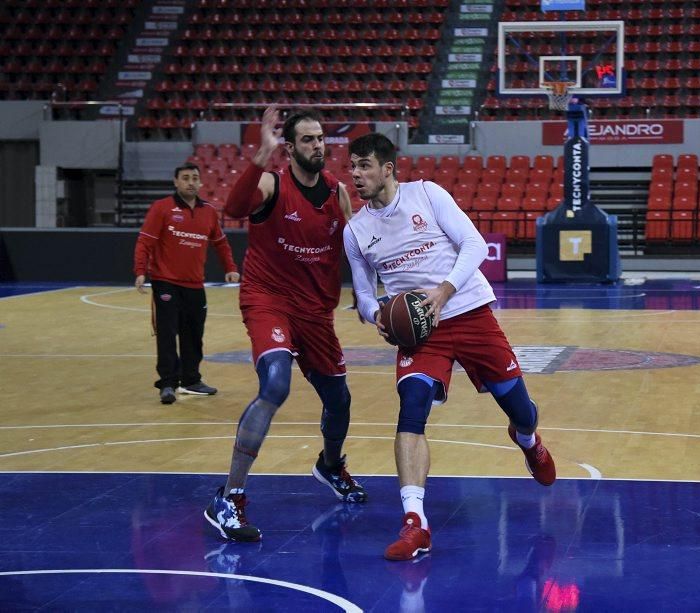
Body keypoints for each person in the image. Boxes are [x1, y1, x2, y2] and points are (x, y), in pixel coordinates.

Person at [344, 133, 556, 561]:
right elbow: (363, 295)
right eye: (352, 167)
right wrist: (379, 315)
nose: (356, 175)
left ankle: (527, 439)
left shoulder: (427, 193)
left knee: (520, 410)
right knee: (412, 405)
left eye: (364, 165)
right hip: (421, 333)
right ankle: (414, 522)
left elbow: (474, 244)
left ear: (388, 168)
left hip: (469, 309)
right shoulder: (355, 230)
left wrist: (442, 293)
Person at [203, 107, 367, 543]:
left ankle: (330, 465)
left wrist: (370, 297)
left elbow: (354, 249)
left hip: (316, 311)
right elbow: (233, 209)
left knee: (340, 400)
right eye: (309, 140)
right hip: (269, 300)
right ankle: (229, 496)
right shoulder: (271, 183)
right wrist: (261, 155)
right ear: (290, 147)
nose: (319, 146)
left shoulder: (337, 192)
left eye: (322, 139)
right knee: (275, 383)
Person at [134, 163, 240, 405]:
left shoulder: (209, 212)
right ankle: (168, 384)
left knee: (194, 335)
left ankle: (191, 381)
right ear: (175, 182)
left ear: (201, 183)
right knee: (168, 335)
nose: (191, 182)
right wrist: (140, 270)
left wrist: (231, 268)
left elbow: (221, 244)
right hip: (165, 283)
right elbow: (145, 242)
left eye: (195, 178)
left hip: (195, 285)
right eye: (185, 178)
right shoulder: (161, 208)